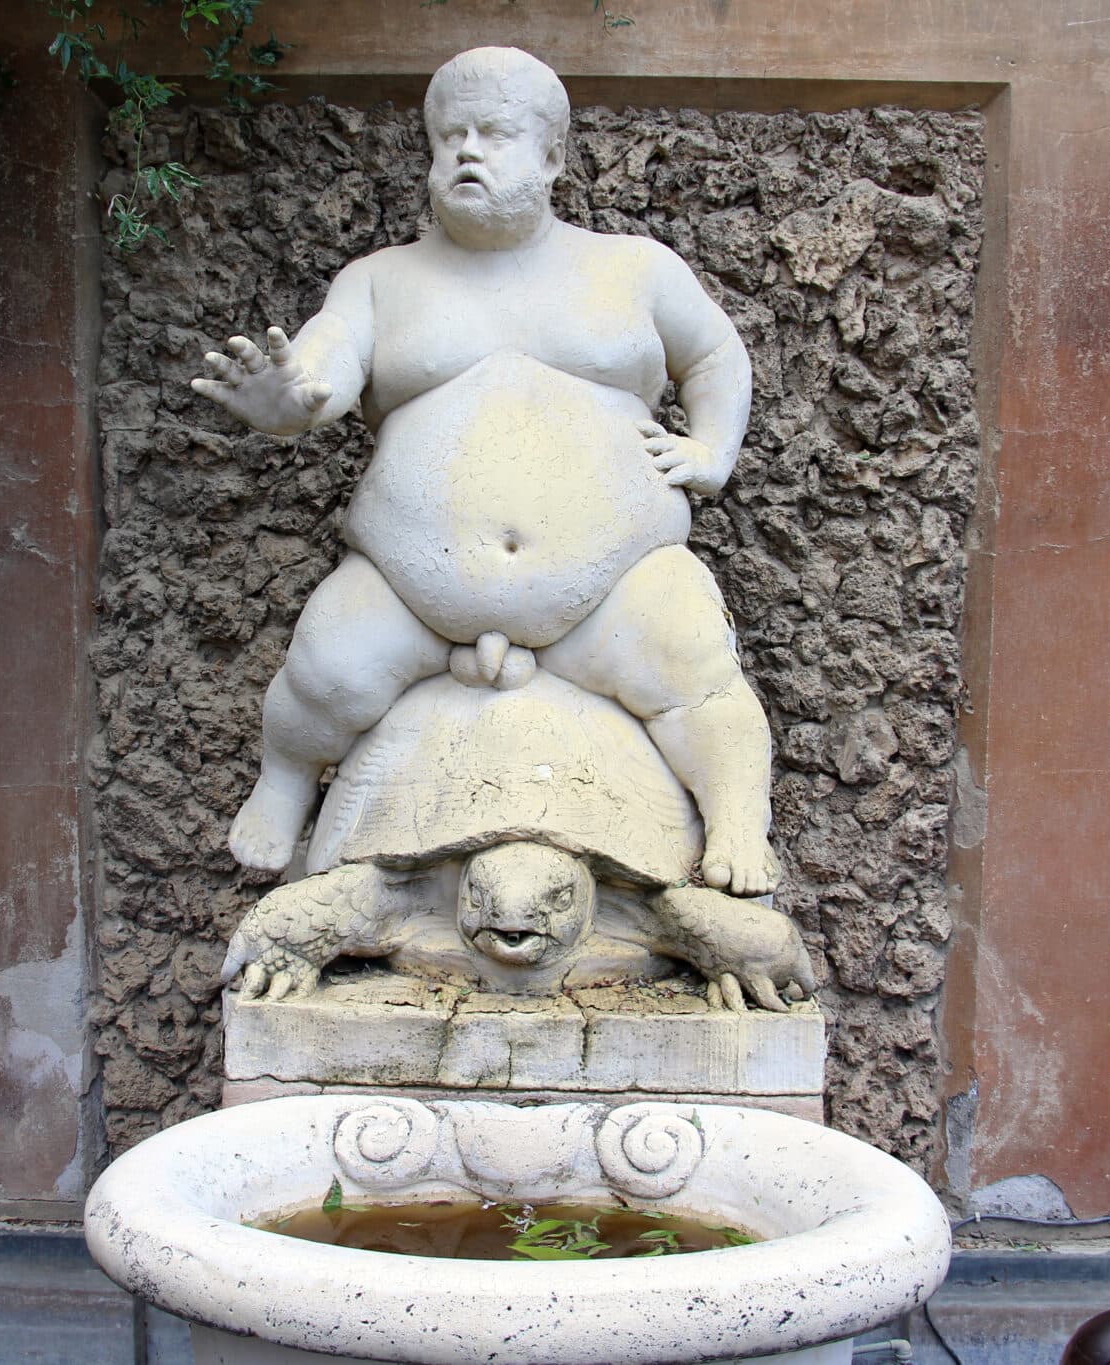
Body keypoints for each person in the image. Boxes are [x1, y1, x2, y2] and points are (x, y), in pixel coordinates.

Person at [192, 46, 779, 895]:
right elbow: (322, 367)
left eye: (495, 134)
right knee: (325, 666)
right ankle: (282, 785)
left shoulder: (634, 268)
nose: (467, 151)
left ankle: (737, 821)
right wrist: (290, 402)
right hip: (409, 585)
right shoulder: (380, 281)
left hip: (616, 582)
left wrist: (712, 451)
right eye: (449, 136)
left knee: (694, 665)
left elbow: (716, 352)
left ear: (550, 157)